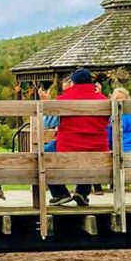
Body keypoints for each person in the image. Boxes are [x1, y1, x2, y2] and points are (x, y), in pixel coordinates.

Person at [47, 68, 108, 207]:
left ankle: (60, 193)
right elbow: (109, 122)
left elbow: (49, 123)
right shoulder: (103, 99)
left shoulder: (64, 98)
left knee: (45, 153)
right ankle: (82, 192)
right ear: (91, 82)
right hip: (98, 148)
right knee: (88, 159)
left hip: (68, 146)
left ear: (73, 82)